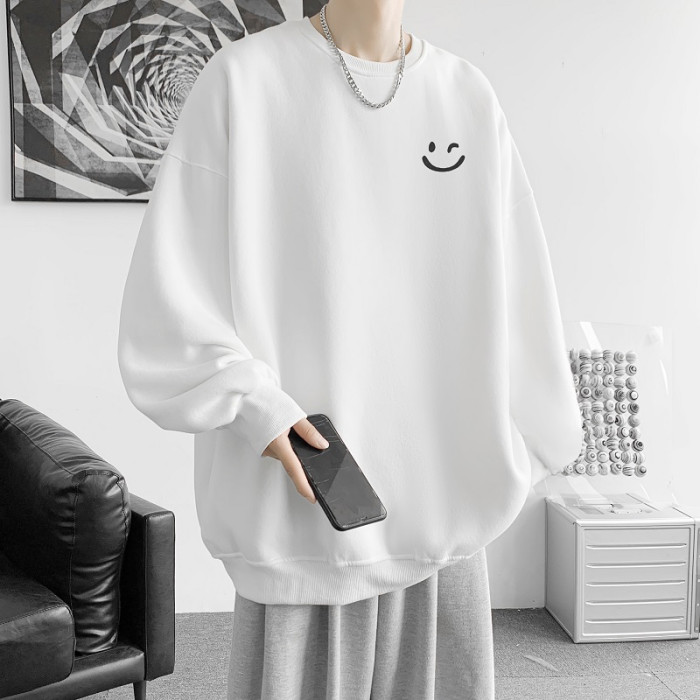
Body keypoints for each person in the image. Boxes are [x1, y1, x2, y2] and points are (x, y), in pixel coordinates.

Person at [117, 1, 584, 698]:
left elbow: (521, 286)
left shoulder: (464, 94)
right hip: (303, 521)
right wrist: (259, 410)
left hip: (446, 518)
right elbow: (169, 301)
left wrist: (527, 439)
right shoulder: (243, 81)